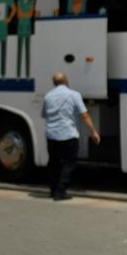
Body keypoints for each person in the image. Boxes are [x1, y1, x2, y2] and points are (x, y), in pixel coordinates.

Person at [41, 72, 101, 200]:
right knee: (69, 163)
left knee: (53, 163)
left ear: (54, 83)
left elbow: (45, 116)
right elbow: (84, 115)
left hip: (52, 135)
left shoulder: (48, 96)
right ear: (66, 81)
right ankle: (60, 192)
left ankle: (53, 190)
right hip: (68, 135)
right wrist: (93, 132)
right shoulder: (74, 95)